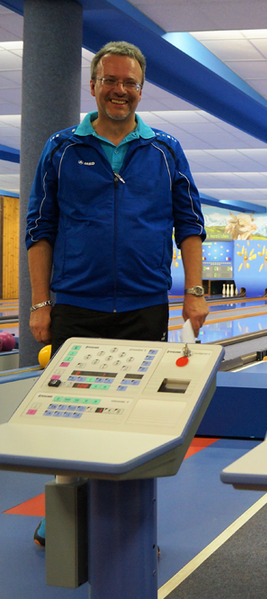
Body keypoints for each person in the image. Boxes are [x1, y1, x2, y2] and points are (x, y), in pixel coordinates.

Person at [25, 40, 208, 547]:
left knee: (137, 419)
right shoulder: (62, 148)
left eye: (130, 82)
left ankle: (131, 522)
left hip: (143, 306)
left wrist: (195, 291)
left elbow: (190, 223)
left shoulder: (165, 149)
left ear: (141, 90)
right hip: (76, 305)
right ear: (93, 85)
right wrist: (40, 303)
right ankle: (64, 515)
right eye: (111, 80)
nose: (120, 90)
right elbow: (39, 228)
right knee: (68, 416)